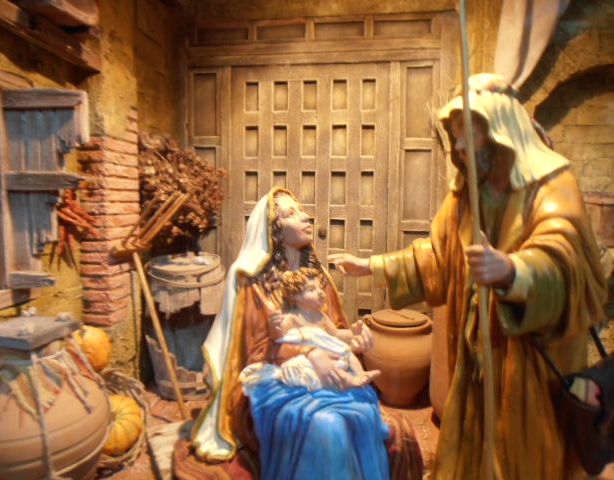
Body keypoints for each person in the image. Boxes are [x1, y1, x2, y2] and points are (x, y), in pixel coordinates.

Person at [329, 73, 607, 479]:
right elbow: (439, 256)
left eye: (468, 133)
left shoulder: (549, 185)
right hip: (478, 354)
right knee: (475, 444)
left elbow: (566, 260)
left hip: (528, 362)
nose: (458, 145)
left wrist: (512, 270)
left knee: (525, 452)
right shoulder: (467, 194)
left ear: (500, 131)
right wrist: (372, 265)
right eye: (455, 134)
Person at [191, 187, 423, 480]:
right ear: (273, 230)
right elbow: (254, 354)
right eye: (291, 214)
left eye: (301, 210)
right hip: (279, 382)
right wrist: (308, 353)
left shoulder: (318, 278)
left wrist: (354, 340)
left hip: (329, 378)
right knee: (328, 425)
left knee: (368, 418)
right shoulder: (254, 284)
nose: (305, 217)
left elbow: (333, 331)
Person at [240, 267, 381, 392]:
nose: (320, 292)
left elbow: (336, 334)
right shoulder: (292, 318)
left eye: (320, 288)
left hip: (329, 355)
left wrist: (352, 333)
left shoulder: (321, 316)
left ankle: (360, 373)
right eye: (311, 290)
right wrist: (274, 326)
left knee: (346, 351)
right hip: (308, 359)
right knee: (319, 363)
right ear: (295, 296)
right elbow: (279, 338)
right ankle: (347, 381)